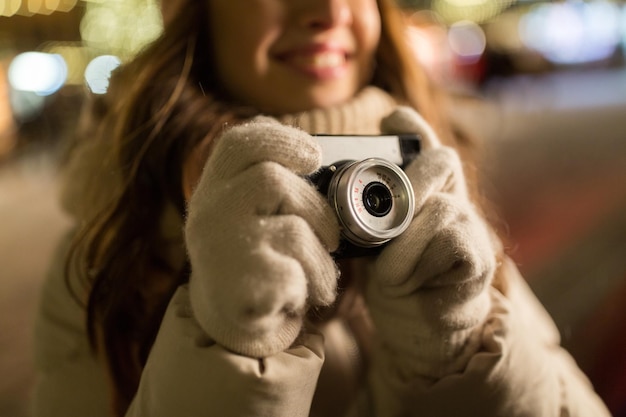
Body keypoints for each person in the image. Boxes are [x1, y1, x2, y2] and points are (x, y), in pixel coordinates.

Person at [32, 0, 611, 416]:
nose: (329, 11)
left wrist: (461, 352)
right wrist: (229, 352)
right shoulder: (110, 254)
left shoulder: (433, 191)